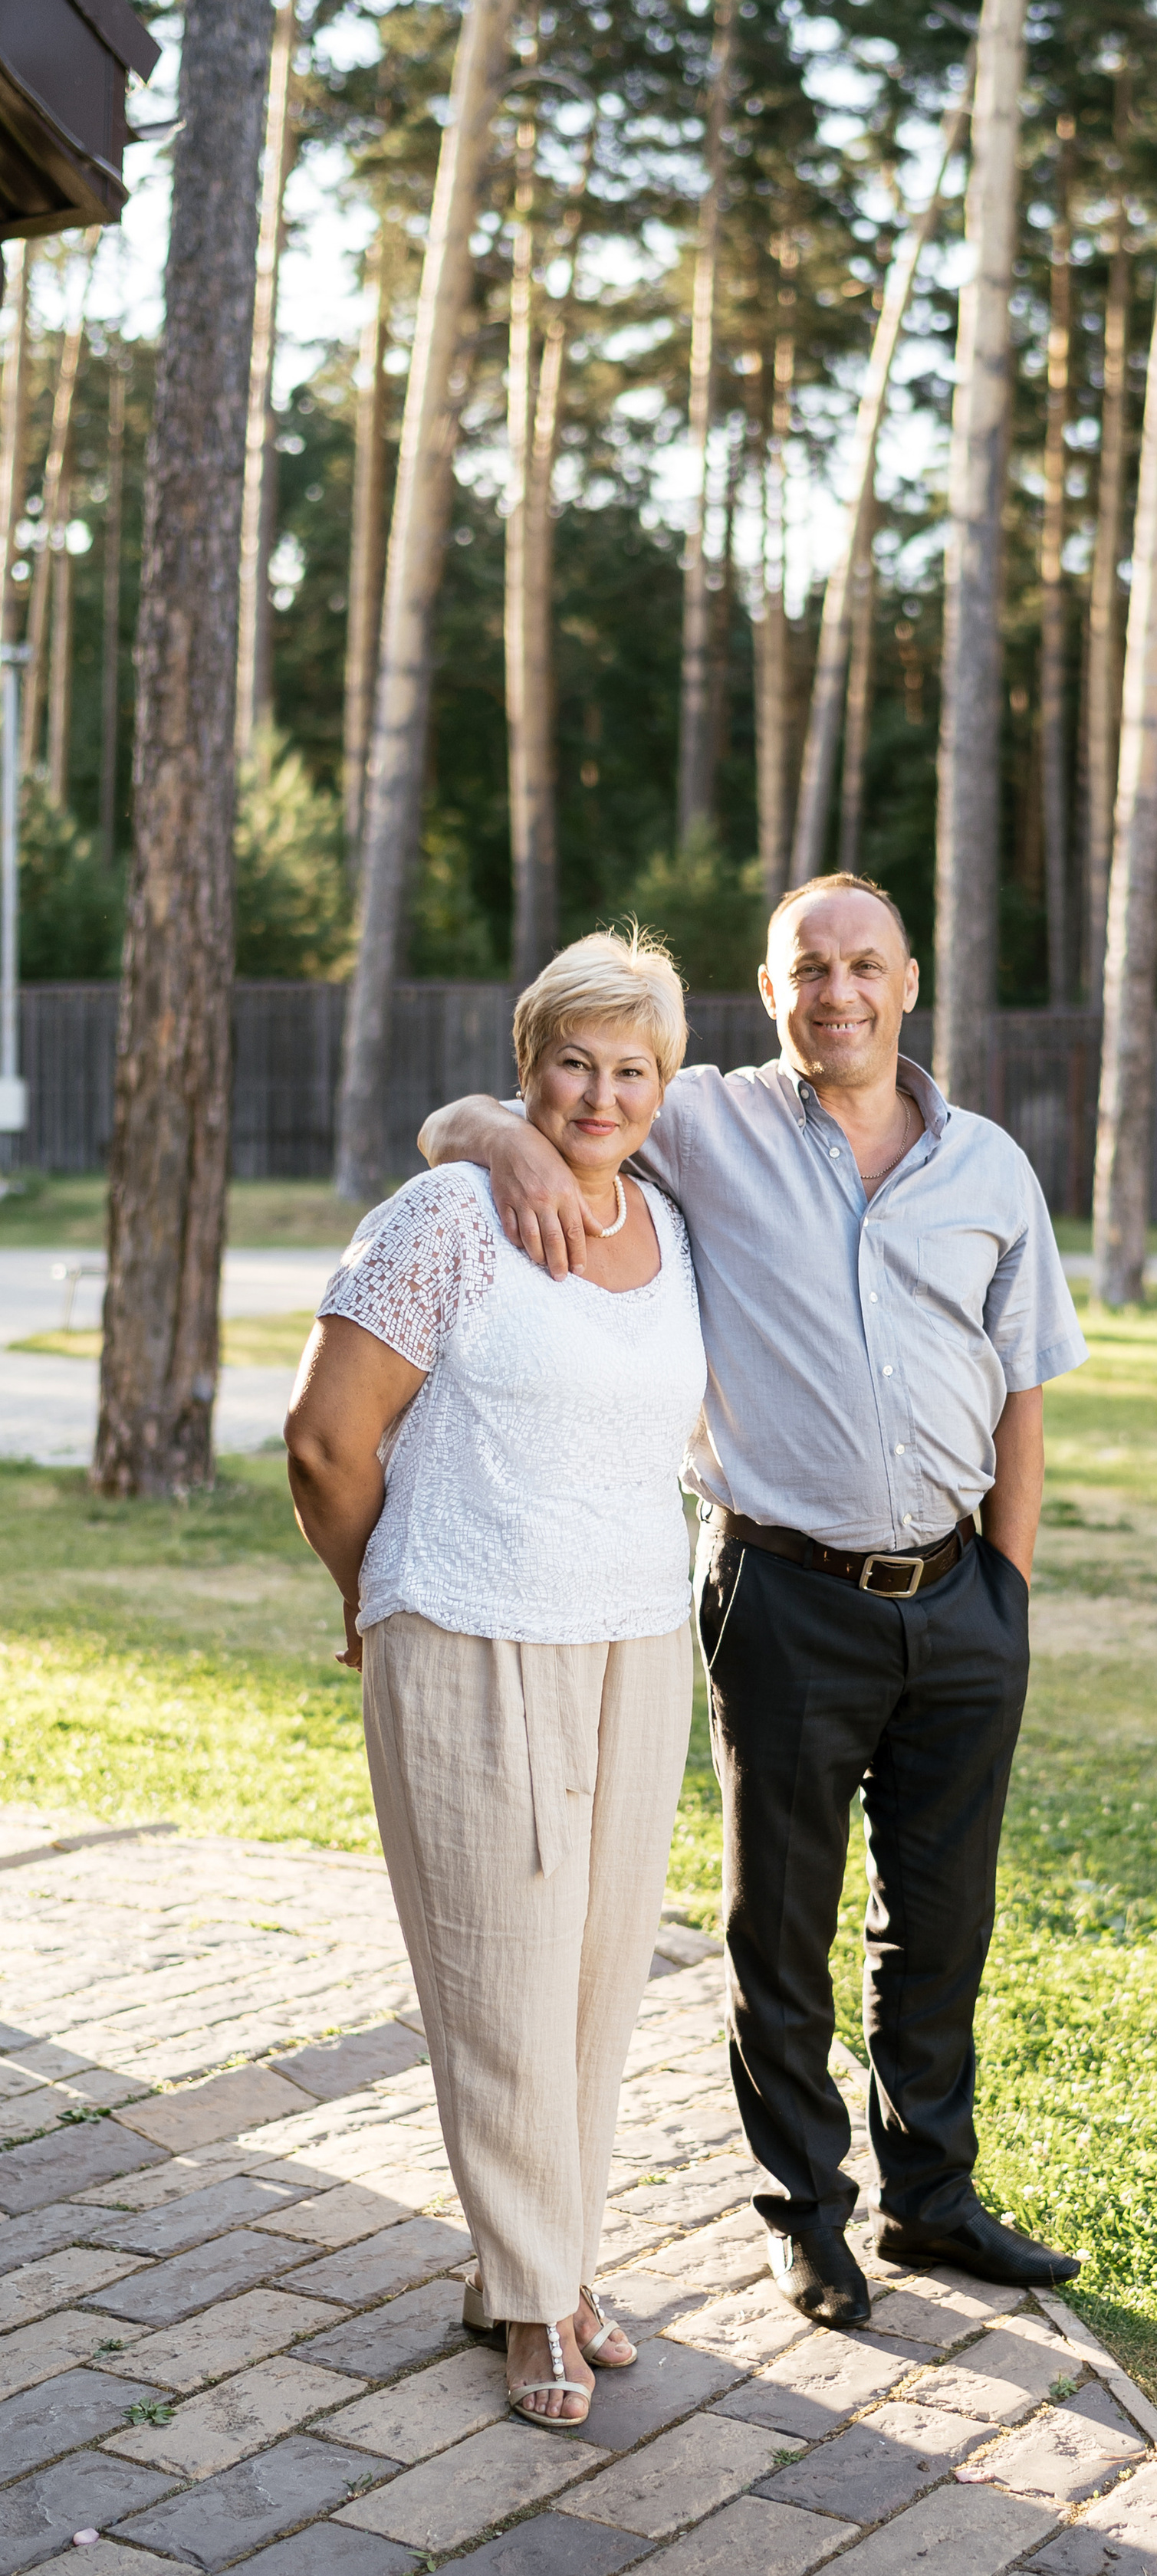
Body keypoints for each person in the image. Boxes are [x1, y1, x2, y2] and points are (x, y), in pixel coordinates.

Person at [419, 871, 1087, 2331]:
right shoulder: (704, 1121)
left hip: (962, 1599)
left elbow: (1026, 1379)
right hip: (786, 1595)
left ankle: (934, 2199)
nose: (836, 992)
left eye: (863, 966)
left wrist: (1010, 1589)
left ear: (909, 983)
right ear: (769, 988)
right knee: (777, 1924)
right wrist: (489, 1136)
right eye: (807, 969)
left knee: (943, 1918)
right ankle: (808, 2215)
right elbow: (513, 1110)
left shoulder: (990, 1170)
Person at [285, 930, 705, 2427]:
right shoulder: (449, 1213)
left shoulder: (668, 1216)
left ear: (662, 1083)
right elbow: (328, 1441)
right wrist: (373, 1601)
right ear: (522, 1066)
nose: (599, 1094)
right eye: (569, 1063)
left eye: (630, 1068)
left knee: (592, 1988)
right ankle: (535, 2300)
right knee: (499, 1986)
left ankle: (539, 2261)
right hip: (468, 1634)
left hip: (638, 1641)